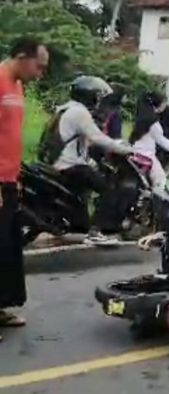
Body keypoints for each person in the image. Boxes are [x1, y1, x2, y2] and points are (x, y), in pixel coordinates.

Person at [0, 37, 49, 341]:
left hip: (7, 181)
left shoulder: (17, 86)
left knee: (6, 249)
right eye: (39, 66)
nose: (40, 74)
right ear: (21, 56)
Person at [52, 76, 134, 246]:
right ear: (88, 95)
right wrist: (127, 149)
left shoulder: (65, 108)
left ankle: (78, 229)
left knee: (79, 196)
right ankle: (97, 231)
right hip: (72, 165)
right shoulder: (80, 112)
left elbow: (83, 140)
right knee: (108, 189)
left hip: (60, 162)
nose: (99, 99)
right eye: (97, 95)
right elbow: (98, 138)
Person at [130, 92, 169, 189]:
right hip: (147, 154)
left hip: (135, 151)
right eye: (164, 103)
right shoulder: (153, 122)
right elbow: (162, 141)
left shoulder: (142, 117)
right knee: (161, 182)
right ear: (159, 104)